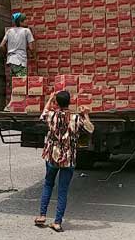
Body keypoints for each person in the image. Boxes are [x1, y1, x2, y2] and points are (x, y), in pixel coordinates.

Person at [35, 91, 94, 232]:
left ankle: (42, 215)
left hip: (52, 156)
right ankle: (57, 222)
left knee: (48, 184)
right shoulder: (75, 118)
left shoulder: (51, 115)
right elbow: (90, 129)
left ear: (56, 102)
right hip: (68, 158)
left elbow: (44, 112)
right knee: (62, 190)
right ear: (70, 102)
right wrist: (85, 113)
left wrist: (49, 99)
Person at [0, 12, 35, 77]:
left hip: (10, 61)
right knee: (21, 84)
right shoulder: (26, 31)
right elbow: (31, 48)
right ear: (20, 22)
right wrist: (33, 56)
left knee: (14, 84)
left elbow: (1, 45)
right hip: (20, 61)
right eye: (25, 20)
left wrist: (6, 54)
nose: (27, 21)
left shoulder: (9, 31)